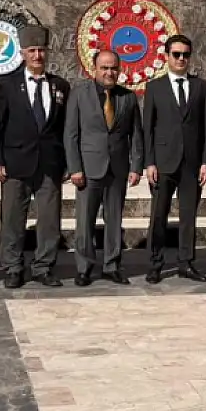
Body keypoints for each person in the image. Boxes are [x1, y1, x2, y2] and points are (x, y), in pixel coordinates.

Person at [0, 26, 70, 288]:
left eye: (41, 50)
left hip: (50, 163)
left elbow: (65, 128)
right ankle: (13, 267)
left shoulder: (60, 85)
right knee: (13, 217)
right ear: (23, 53)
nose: (38, 55)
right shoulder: (8, 86)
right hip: (16, 161)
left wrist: (68, 163)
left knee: (49, 219)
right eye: (32, 51)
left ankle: (43, 266)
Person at [140, 34, 206, 283]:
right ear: (167, 56)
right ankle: (155, 263)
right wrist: (149, 162)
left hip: (192, 164)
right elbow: (147, 128)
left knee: (188, 217)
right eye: (176, 54)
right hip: (163, 162)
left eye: (185, 54)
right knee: (159, 216)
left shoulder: (201, 87)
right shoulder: (155, 87)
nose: (181, 59)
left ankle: (186, 262)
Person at [65, 49, 142, 284]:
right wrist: (74, 168)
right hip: (88, 169)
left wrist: (136, 166)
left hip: (117, 169)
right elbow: (71, 134)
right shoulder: (79, 94)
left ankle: (111, 264)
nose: (109, 72)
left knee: (114, 219)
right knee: (85, 221)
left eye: (113, 68)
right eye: (104, 68)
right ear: (94, 68)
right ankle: (84, 267)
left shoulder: (127, 97)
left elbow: (136, 135)